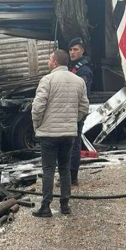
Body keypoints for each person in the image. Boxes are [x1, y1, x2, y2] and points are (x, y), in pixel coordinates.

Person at [31, 49, 89, 217]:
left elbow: (38, 107)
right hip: (69, 134)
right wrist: (72, 121)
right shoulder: (79, 81)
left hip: (49, 134)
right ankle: (65, 206)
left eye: (50, 59)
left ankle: (46, 207)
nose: (48, 62)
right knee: (64, 169)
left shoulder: (47, 80)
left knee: (48, 169)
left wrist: (37, 125)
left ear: (55, 63)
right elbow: (84, 107)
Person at [67, 37, 93, 186]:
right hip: (69, 111)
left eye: (75, 49)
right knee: (69, 144)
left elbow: (83, 95)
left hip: (76, 113)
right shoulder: (73, 68)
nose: (72, 52)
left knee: (74, 144)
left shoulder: (84, 70)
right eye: (70, 49)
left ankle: (72, 176)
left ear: (82, 51)